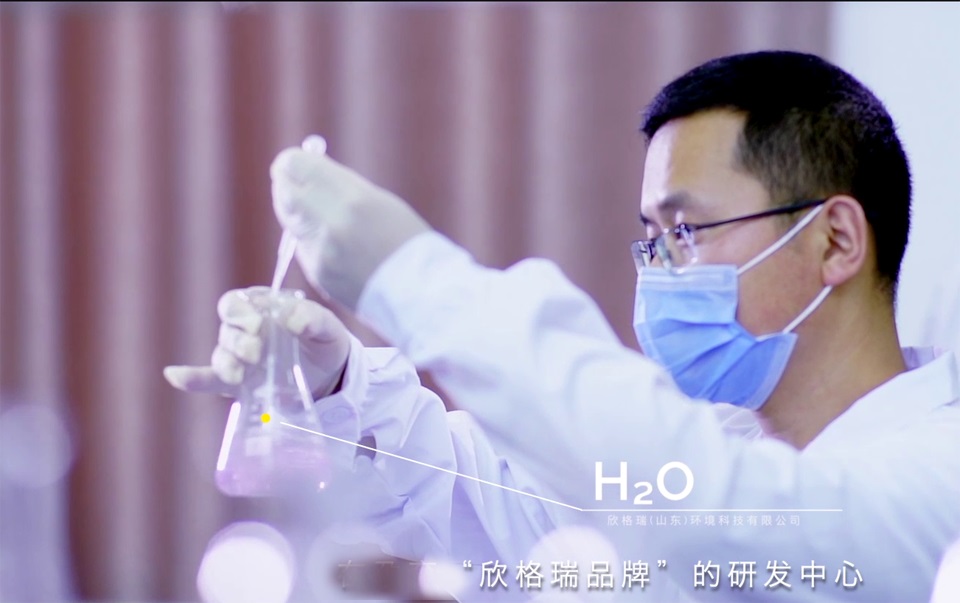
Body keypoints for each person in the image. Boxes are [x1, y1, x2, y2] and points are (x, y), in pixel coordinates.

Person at [165, 50, 960, 601]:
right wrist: (337, 378)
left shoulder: (936, 475)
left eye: (687, 230)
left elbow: (734, 520)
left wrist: (409, 273)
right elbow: (477, 496)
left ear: (836, 240)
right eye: (652, 239)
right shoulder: (724, 439)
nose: (659, 272)